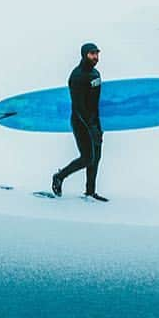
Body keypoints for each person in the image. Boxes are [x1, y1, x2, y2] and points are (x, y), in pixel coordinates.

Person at [51, 42, 108, 201]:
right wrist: (90, 127)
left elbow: (95, 104)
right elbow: (79, 106)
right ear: (84, 55)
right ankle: (59, 176)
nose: (95, 57)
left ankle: (90, 192)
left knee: (96, 158)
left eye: (97, 54)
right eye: (92, 54)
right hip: (80, 121)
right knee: (87, 158)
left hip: (93, 121)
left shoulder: (96, 74)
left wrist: (98, 126)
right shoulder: (76, 76)